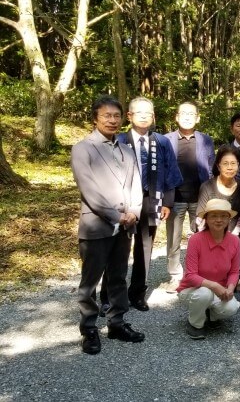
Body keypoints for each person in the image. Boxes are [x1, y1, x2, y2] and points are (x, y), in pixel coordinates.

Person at [71, 95, 144, 355]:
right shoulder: (83, 149)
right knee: (90, 281)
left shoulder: (126, 150)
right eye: (106, 116)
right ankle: (89, 329)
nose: (112, 120)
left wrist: (134, 211)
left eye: (116, 116)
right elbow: (89, 189)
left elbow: (136, 184)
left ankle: (117, 322)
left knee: (118, 276)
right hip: (96, 225)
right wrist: (116, 215)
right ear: (95, 118)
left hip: (125, 226)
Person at [101, 96, 182, 313]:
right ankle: (108, 295)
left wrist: (168, 202)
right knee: (117, 248)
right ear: (129, 116)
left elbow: (171, 174)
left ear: (153, 116)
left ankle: (137, 293)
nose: (144, 116)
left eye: (148, 113)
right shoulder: (117, 140)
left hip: (151, 199)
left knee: (145, 247)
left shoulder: (162, 142)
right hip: (122, 200)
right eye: (139, 112)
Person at [163, 101, 215, 293]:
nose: (187, 117)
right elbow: (162, 170)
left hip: (199, 198)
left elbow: (211, 168)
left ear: (198, 118)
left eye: (191, 114)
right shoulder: (165, 140)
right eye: (183, 113)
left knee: (202, 238)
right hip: (174, 198)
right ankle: (175, 276)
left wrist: (210, 196)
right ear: (176, 117)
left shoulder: (206, 140)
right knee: (173, 239)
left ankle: (200, 275)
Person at [177, 199, 240, 340]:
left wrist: (230, 288)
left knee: (232, 308)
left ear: (229, 219)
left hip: (220, 290)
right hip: (192, 289)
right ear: (206, 218)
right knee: (204, 294)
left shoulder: (235, 241)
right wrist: (214, 286)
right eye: (213, 216)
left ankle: (209, 314)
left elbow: (234, 272)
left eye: (223, 216)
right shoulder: (195, 240)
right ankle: (196, 323)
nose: (219, 220)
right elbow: (191, 276)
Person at [197, 145, 240, 298]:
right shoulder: (207, 186)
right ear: (218, 166)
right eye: (225, 163)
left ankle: (236, 282)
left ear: (238, 165)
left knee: (238, 257)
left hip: (233, 233)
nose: (230, 167)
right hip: (209, 235)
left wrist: (231, 238)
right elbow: (200, 219)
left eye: (233, 163)